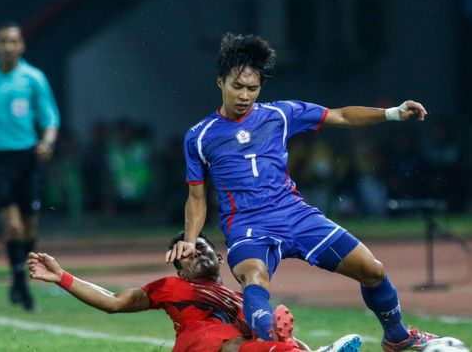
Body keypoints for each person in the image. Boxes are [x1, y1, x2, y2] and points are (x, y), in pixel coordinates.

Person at [166, 33, 437, 351]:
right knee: (254, 280)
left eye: (252, 88)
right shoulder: (199, 137)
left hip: (295, 215)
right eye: (237, 87)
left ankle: (397, 337)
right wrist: (189, 239)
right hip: (247, 227)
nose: (244, 95)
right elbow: (196, 198)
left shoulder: (280, 115)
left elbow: (341, 115)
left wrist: (391, 113)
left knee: (373, 271)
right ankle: (280, 343)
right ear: (220, 82)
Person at [27, 232, 363, 352]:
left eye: (201, 249)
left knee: (271, 334)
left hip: (246, 343)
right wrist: (62, 277)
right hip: (203, 345)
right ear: (178, 267)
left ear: (219, 260)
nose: (196, 254)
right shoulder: (172, 287)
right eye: (187, 253)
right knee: (236, 344)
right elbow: (114, 302)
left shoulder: (241, 298)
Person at [0, 21, 60, 311]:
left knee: (29, 226)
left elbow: (50, 119)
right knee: (12, 223)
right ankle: (20, 285)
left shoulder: (33, 78)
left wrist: (47, 143)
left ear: (22, 46)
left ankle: (19, 280)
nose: (8, 46)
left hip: (27, 157)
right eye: (3, 41)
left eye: (13, 41)